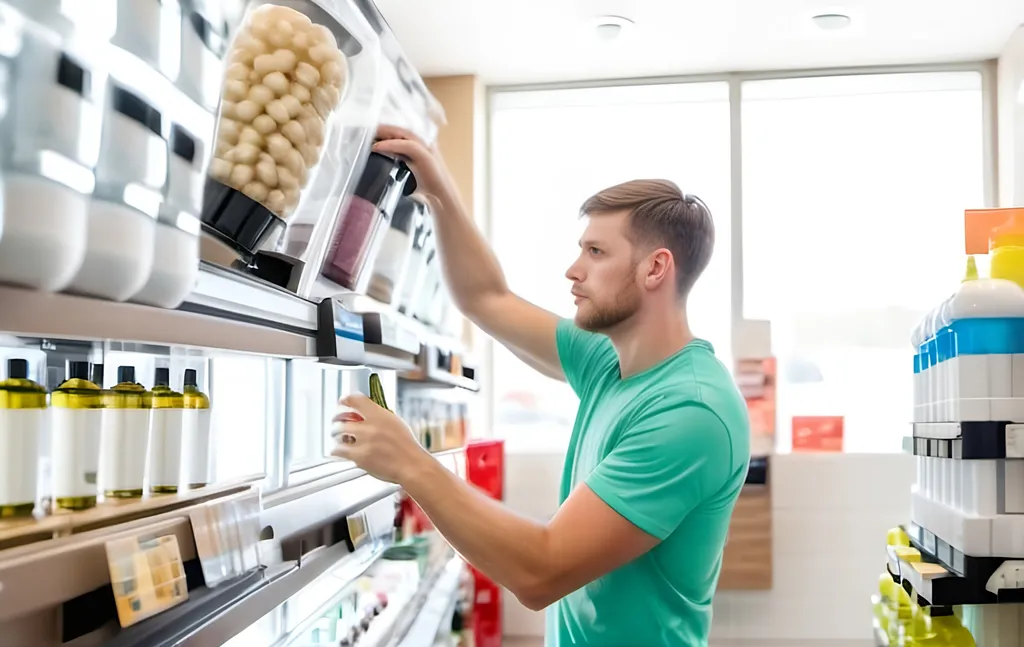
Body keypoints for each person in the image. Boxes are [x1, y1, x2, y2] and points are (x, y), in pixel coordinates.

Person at [332, 125, 751, 647]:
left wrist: (409, 463)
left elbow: (542, 571)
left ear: (655, 268)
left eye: (596, 252)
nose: (572, 270)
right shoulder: (608, 358)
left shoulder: (691, 410)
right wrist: (439, 191)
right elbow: (486, 298)